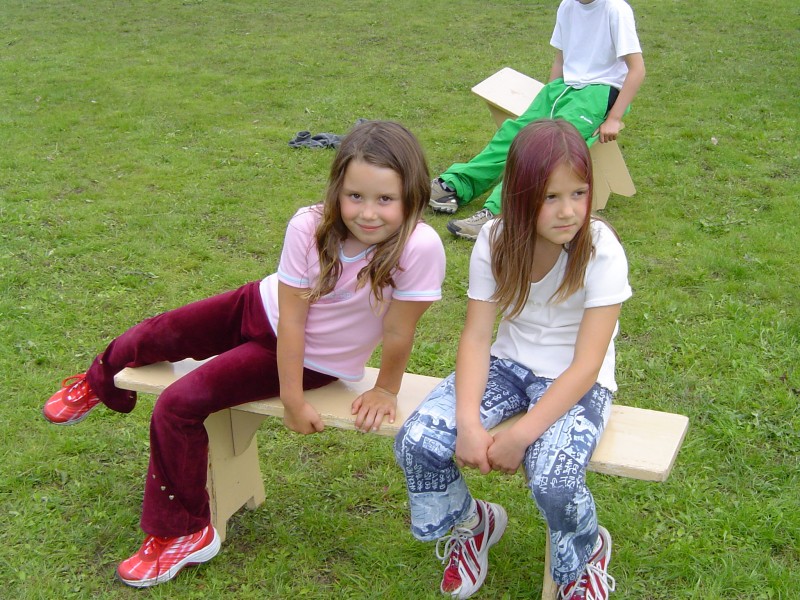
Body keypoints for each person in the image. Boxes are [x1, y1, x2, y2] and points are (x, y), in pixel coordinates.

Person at [42, 120, 446, 588]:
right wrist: (292, 400)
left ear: (412, 196)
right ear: (338, 189)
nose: (368, 213)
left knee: (178, 404)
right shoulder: (310, 224)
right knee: (156, 333)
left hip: (312, 360)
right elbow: (291, 316)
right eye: (355, 196)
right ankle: (98, 383)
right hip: (259, 306)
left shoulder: (420, 247)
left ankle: (185, 532)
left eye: (385, 199)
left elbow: (398, 331)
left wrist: (382, 390)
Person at [395, 119, 632, 599]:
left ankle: (585, 555)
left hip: (575, 378)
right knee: (417, 440)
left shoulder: (600, 248)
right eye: (550, 197)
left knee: (553, 480)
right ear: (520, 195)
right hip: (508, 364)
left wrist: (521, 436)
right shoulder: (495, 240)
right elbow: (477, 337)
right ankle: (473, 523)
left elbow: (587, 365)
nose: (568, 211)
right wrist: (468, 423)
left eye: (579, 193)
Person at [430, 0, 645, 241]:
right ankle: (454, 185)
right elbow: (561, 60)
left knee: (546, 149)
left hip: (597, 94)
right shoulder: (567, 6)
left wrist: (614, 118)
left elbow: (637, 69)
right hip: (561, 89)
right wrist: (548, 94)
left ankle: (499, 214)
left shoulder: (615, 9)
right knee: (514, 134)